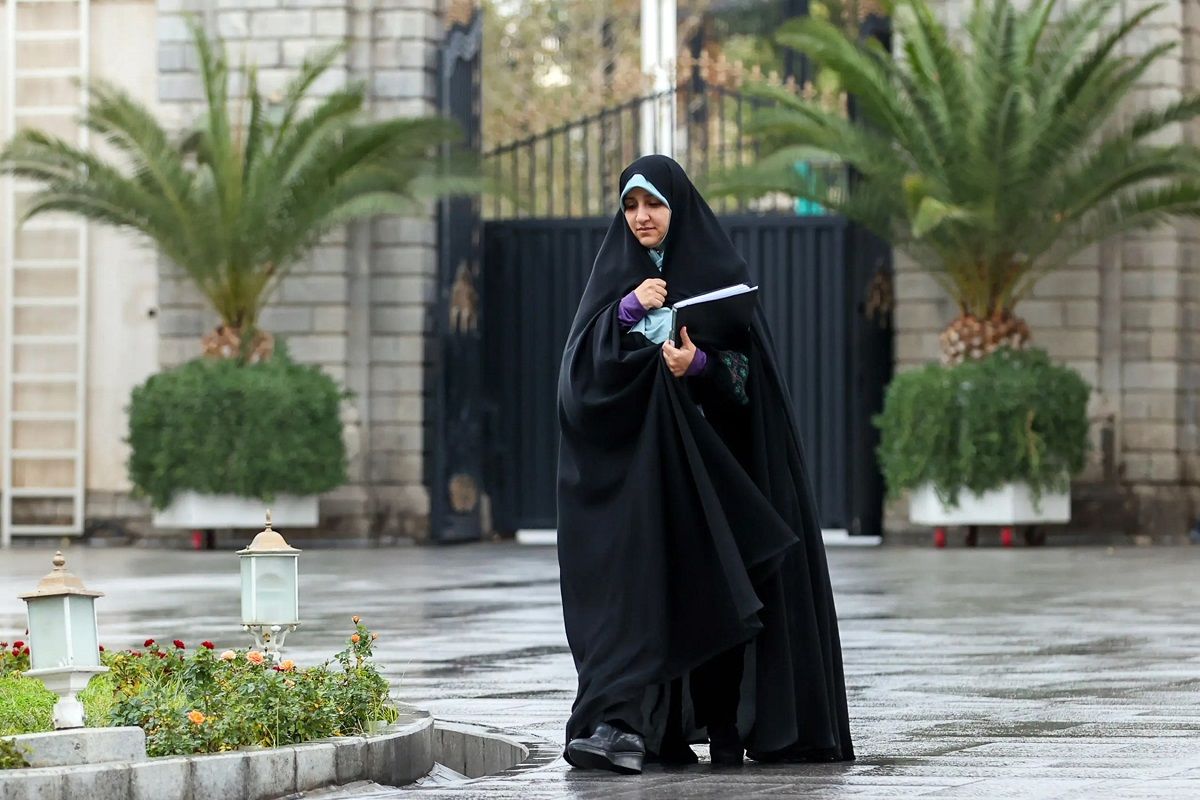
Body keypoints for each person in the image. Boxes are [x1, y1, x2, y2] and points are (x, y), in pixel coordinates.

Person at [556, 154, 854, 774]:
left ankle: (725, 727)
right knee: (633, 595)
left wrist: (699, 365)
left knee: (719, 592)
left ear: (678, 207)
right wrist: (627, 312)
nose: (642, 217)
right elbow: (578, 381)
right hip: (643, 480)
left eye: (654, 204)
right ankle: (619, 727)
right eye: (630, 205)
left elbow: (749, 382)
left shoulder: (719, 277)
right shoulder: (614, 282)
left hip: (717, 476)